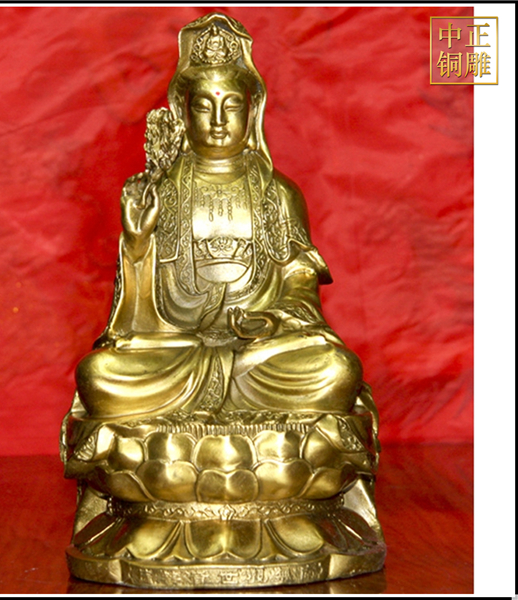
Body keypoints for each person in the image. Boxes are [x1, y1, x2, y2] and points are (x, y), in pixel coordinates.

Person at [72, 13, 374, 427]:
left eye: (231, 106)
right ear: (183, 114)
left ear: (251, 113)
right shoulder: (159, 192)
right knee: (100, 376)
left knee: (335, 371)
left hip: (257, 356)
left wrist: (270, 319)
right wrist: (138, 242)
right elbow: (136, 320)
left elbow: (299, 285)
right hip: (177, 352)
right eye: (203, 106)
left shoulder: (279, 193)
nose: (218, 121)